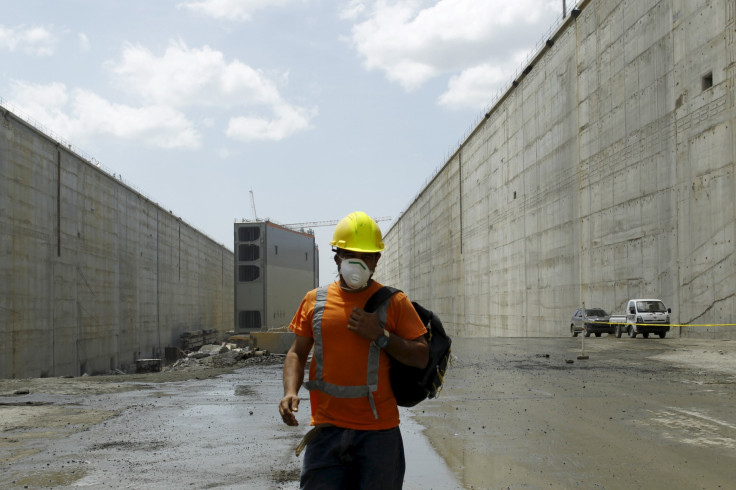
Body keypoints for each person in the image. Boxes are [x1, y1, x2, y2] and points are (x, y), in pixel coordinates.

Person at [279, 211, 429, 490]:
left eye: (368, 256)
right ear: (337, 257)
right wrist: (290, 391)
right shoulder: (315, 301)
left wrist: (381, 335)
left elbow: (421, 356)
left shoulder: (395, 302)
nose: (359, 263)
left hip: (378, 436)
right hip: (326, 432)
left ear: (377, 260)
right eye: (351, 254)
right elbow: (296, 353)